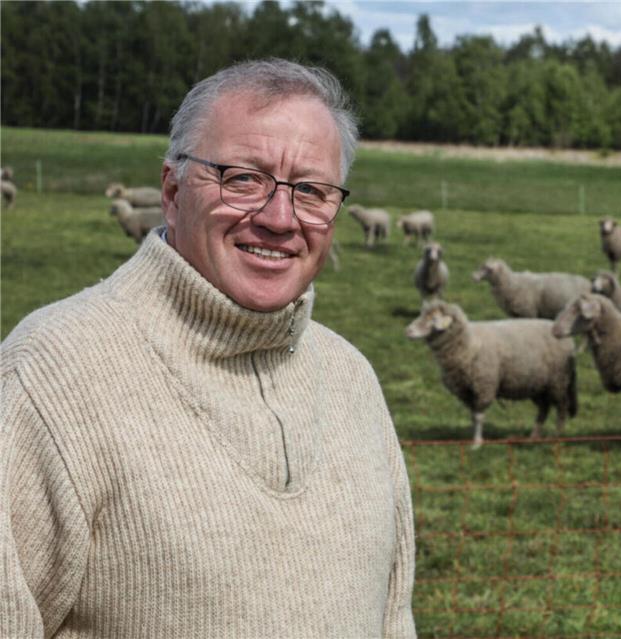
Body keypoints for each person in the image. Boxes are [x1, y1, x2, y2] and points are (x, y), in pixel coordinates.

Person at [1, 59, 416, 637]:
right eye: (243, 178)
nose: (279, 218)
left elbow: (393, 618)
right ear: (172, 191)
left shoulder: (352, 379)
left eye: (312, 191)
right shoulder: (51, 376)